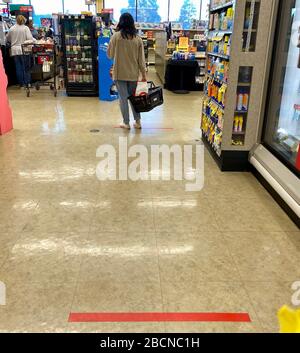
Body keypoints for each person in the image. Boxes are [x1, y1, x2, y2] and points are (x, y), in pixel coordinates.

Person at [107, 13, 147, 130]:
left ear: (121, 22)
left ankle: (126, 123)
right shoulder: (137, 39)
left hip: (120, 74)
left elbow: (109, 55)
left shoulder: (116, 36)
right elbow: (141, 60)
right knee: (134, 98)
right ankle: (138, 122)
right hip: (133, 74)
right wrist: (143, 74)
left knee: (123, 98)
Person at [6, 15, 35, 87]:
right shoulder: (25, 28)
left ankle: (21, 83)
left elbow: (8, 39)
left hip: (14, 50)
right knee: (26, 67)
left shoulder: (12, 28)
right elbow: (29, 38)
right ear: (24, 20)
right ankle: (27, 83)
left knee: (18, 67)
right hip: (24, 49)